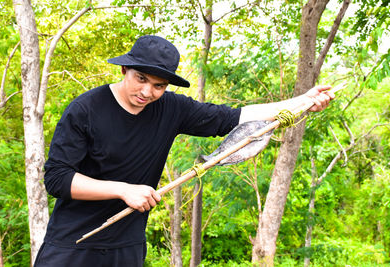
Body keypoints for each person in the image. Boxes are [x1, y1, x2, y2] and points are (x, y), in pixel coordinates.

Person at [34, 35, 334, 266]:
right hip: (71, 244)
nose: (147, 92)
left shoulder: (172, 108)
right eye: (141, 79)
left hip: (126, 246)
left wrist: (302, 101)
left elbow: (237, 117)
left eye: (159, 85)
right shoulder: (85, 109)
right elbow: (58, 179)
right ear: (125, 69)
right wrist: (123, 190)